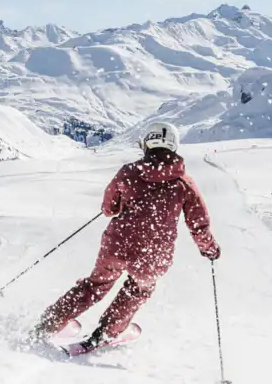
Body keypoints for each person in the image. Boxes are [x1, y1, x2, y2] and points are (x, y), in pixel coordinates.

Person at [33, 121, 220, 351]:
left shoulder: (129, 173)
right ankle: (104, 333)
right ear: (174, 146)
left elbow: (109, 208)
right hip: (154, 253)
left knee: (95, 286)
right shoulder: (184, 183)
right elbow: (198, 224)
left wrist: (122, 206)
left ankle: (49, 323)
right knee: (138, 289)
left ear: (146, 144)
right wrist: (209, 248)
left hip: (117, 244)